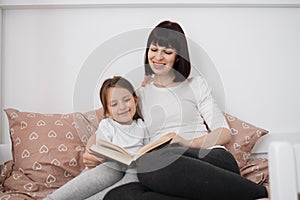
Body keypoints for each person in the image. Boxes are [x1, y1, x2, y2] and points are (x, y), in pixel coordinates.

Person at [98, 20, 269, 199]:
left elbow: (223, 132)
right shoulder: (138, 95)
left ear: (178, 56)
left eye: (167, 52)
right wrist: (92, 148)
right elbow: (111, 117)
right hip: (165, 170)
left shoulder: (195, 85)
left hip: (209, 158)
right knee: (118, 196)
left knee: (153, 165)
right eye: (154, 50)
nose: (158, 57)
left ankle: (261, 193)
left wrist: (185, 143)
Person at [44, 76, 149, 200]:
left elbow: (147, 148)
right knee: (112, 169)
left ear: (135, 101)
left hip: (132, 168)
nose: (122, 107)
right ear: (107, 111)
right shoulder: (107, 125)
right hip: (108, 167)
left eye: (126, 100)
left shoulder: (141, 126)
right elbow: (100, 151)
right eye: (114, 104)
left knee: (134, 181)